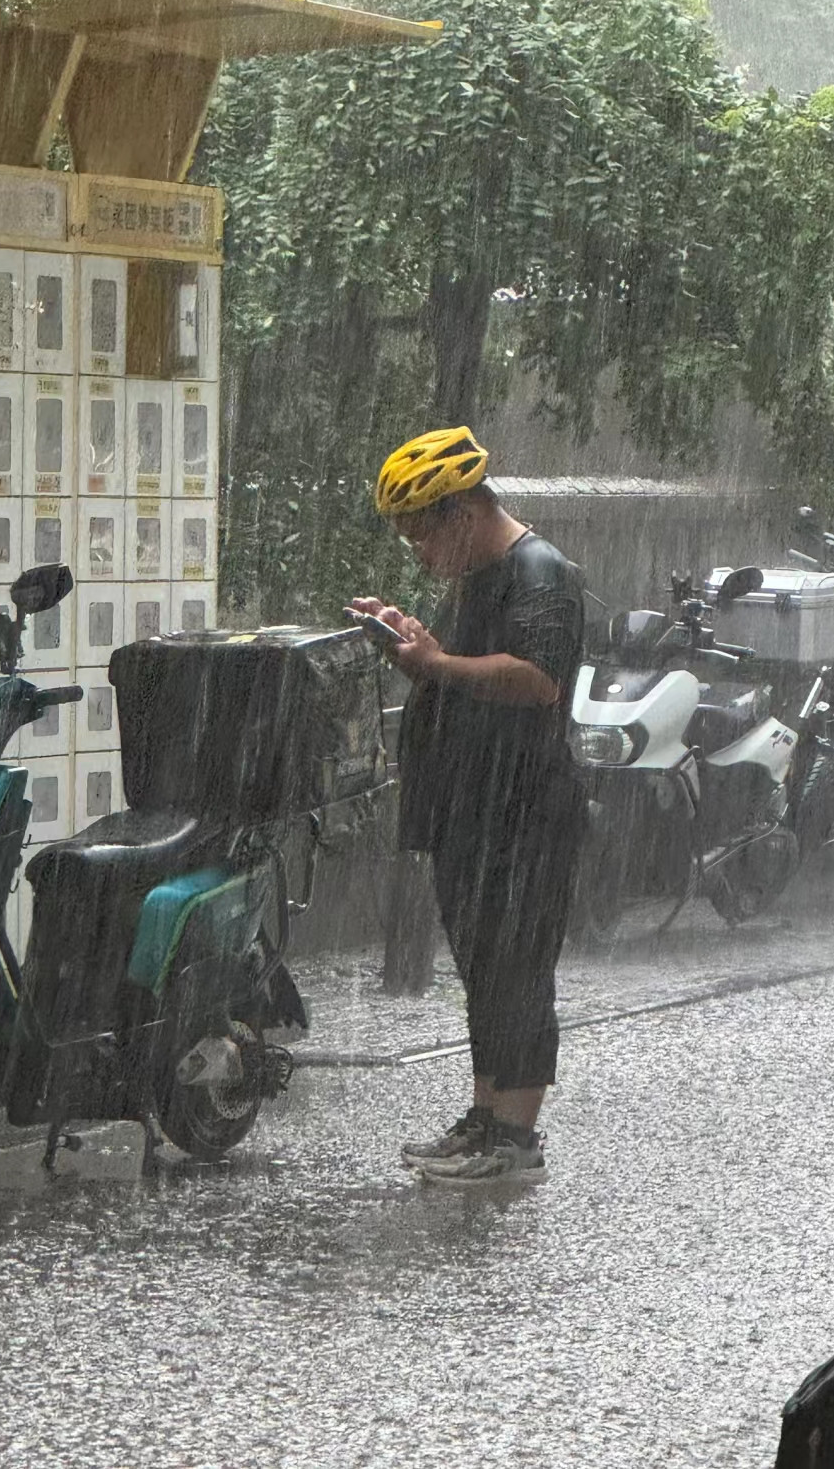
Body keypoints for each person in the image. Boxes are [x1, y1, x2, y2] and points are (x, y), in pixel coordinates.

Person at [353, 426, 586, 1184]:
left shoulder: (540, 572)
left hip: (525, 810)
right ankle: (485, 1118)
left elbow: (536, 678)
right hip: (473, 807)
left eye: (422, 531)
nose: (418, 550)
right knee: (484, 969)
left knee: (517, 969)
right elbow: (460, 669)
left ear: (463, 510)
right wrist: (419, 643)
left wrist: (437, 661)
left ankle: (515, 1140)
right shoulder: (481, 576)